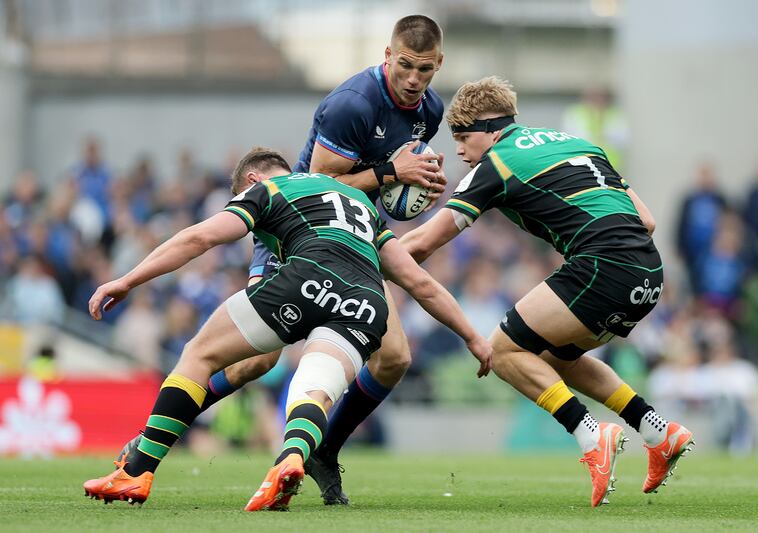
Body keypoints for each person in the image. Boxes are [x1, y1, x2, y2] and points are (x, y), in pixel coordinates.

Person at [116, 14, 449, 506]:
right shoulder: (352, 105)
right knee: (258, 360)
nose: (414, 78)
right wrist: (390, 171)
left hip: (355, 237)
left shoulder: (431, 109)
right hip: (294, 231)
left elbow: (390, 183)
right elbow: (323, 184)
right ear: (387, 55)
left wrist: (415, 182)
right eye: (405, 65)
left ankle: (320, 451)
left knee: (396, 356)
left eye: (424, 69)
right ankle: (151, 441)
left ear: (438, 64)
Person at [83, 147, 492, 511]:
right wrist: (473, 336)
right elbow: (419, 282)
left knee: (200, 354)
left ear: (251, 180)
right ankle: (292, 456)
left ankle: (136, 470)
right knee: (313, 388)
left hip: (306, 277)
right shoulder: (359, 204)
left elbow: (201, 237)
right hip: (368, 303)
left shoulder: (270, 190)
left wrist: (127, 280)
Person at [399, 77, 694, 507]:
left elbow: (423, 243)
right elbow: (646, 220)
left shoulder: (496, 164)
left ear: (491, 129)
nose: (460, 150)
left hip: (603, 266)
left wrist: (363, 255)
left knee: (501, 351)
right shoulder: (580, 144)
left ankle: (591, 435)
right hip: (648, 271)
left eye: (463, 137)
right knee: (556, 357)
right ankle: (658, 431)